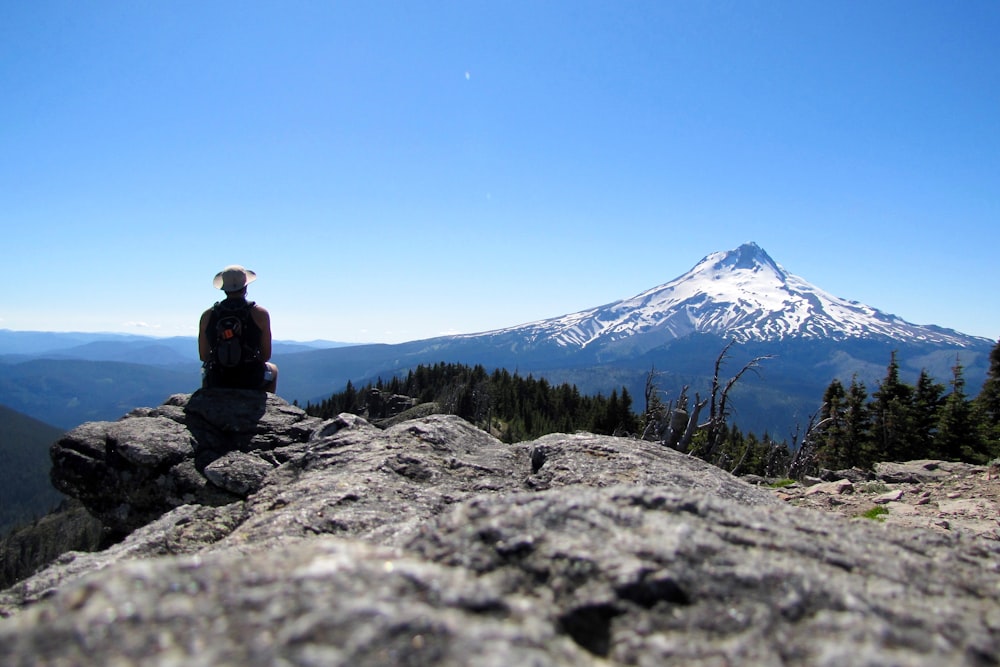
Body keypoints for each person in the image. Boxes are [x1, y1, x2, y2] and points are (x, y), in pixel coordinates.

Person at [199, 265, 278, 393]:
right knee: (273, 369)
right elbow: (265, 356)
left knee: (205, 370)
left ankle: (209, 398)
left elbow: (204, 356)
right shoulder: (260, 313)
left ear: (224, 288)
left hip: (218, 378)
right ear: (245, 286)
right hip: (250, 379)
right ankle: (264, 405)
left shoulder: (208, 315)